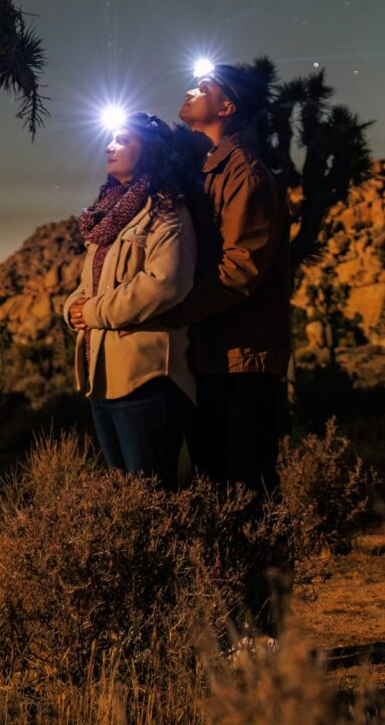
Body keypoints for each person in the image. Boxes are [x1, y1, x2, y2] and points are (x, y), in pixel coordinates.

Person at [168, 64, 291, 502]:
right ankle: (235, 570)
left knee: (246, 486)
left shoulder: (246, 175)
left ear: (227, 106)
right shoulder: (207, 172)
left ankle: (269, 571)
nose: (189, 90)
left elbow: (240, 269)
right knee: (214, 482)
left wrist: (172, 313)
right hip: (212, 352)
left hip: (243, 356)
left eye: (203, 88)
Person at [62, 112, 197, 489]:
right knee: (126, 500)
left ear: (149, 149)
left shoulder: (166, 210)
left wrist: (90, 312)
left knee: (151, 495)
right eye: (110, 140)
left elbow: (165, 283)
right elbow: (89, 281)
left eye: (123, 140)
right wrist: (72, 308)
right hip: (103, 376)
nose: (110, 147)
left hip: (147, 376)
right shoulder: (110, 213)